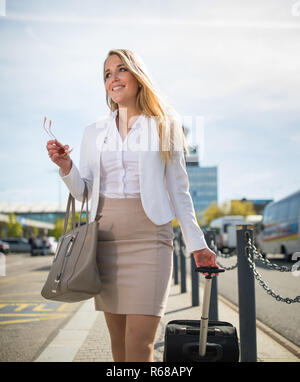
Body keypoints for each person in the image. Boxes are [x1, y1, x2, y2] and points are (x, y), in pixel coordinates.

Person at [46, 49, 217, 362]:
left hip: (150, 240)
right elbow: (84, 193)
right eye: (107, 74)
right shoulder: (93, 133)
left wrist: (198, 245)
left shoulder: (165, 126)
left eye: (121, 69)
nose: (113, 78)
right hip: (104, 240)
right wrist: (67, 166)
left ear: (138, 77)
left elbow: (180, 192)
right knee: (120, 348)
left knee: (140, 347)